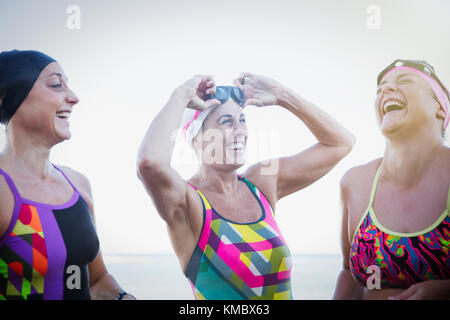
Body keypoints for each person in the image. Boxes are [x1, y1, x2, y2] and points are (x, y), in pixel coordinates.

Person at [137, 73, 355, 299]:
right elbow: (149, 163)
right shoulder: (187, 201)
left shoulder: (261, 183)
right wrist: (181, 94)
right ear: (196, 139)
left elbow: (340, 143)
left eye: (242, 121)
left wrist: (283, 96)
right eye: (226, 122)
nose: (240, 131)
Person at [0, 50, 134, 300]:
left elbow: (97, 281)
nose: (73, 98)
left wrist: (123, 298)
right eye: (56, 85)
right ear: (10, 96)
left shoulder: (78, 185)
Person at [333, 59, 450, 300]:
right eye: (380, 89)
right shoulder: (354, 183)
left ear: (440, 107)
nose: (385, 90)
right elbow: (351, 276)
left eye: (404, 81)